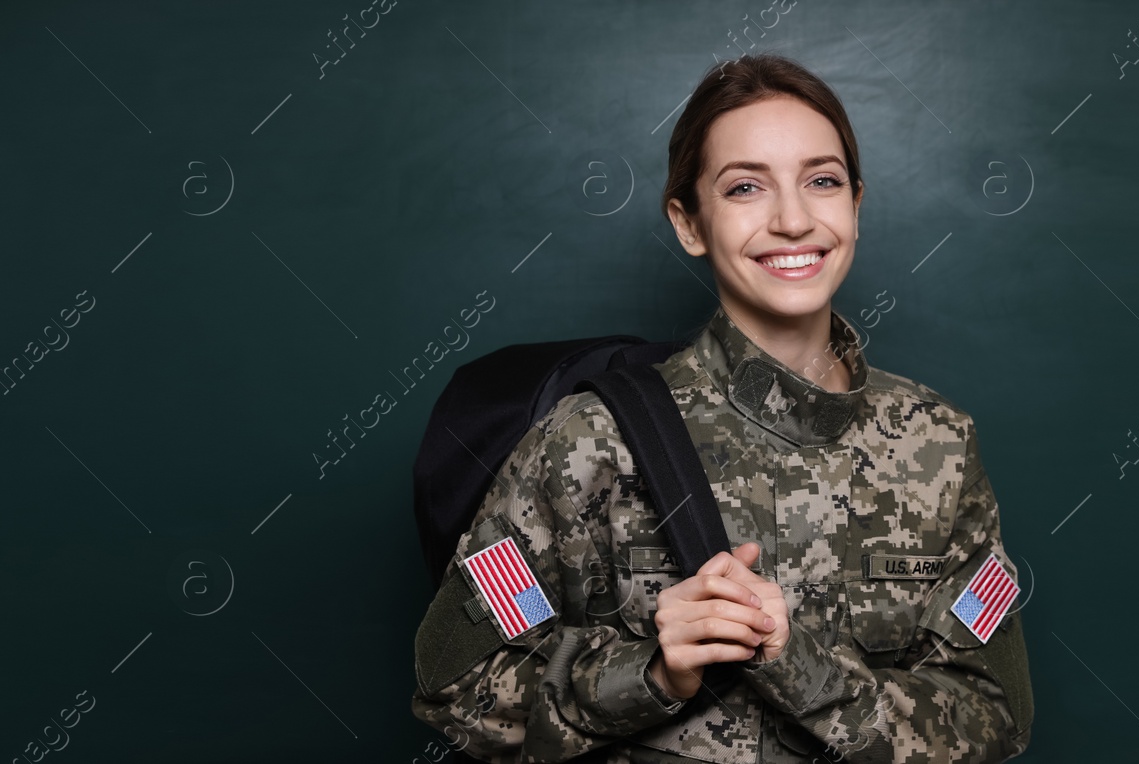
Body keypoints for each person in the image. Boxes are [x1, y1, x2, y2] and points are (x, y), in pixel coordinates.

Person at [411, 53, 1033, 763]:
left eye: (822, 181)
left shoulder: (940, 445)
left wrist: (802, 667)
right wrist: (649, 674)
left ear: (855, 205)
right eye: (745, 188)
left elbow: (995, 712)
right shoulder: (591, 438)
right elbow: (455, 684)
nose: (793, 219)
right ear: (689, 222)